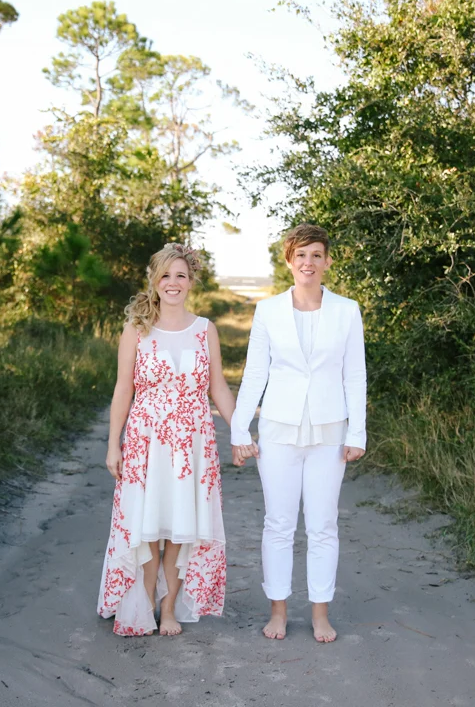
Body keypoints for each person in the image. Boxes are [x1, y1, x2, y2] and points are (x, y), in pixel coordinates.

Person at [230, 224, 367, 643]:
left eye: (316, 255)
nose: (308, 262)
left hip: (330, 432)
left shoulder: (347, 310)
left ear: (327, 261)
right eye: (300, 255)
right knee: (279, 523)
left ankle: (321, 614)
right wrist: (239, 428)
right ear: (289, 261)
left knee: (323, 524)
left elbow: (355, 375)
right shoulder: (268, 310)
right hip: (278, 431)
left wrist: (357, 431)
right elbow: (255, 372)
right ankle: (278, 611)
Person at [98, 243, 236, 636]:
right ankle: (141, 601)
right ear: (154, 281)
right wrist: (114, 442)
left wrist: (241, 429)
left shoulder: (205, 329)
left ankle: (169, 606)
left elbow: (218, 387)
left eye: (181, 275)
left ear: (191, 281)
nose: (173, 283)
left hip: (192, 443)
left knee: (180, 527)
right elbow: (123, 389)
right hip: (146, 440)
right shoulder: (136, 329)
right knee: (149, 526)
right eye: (165, 275)